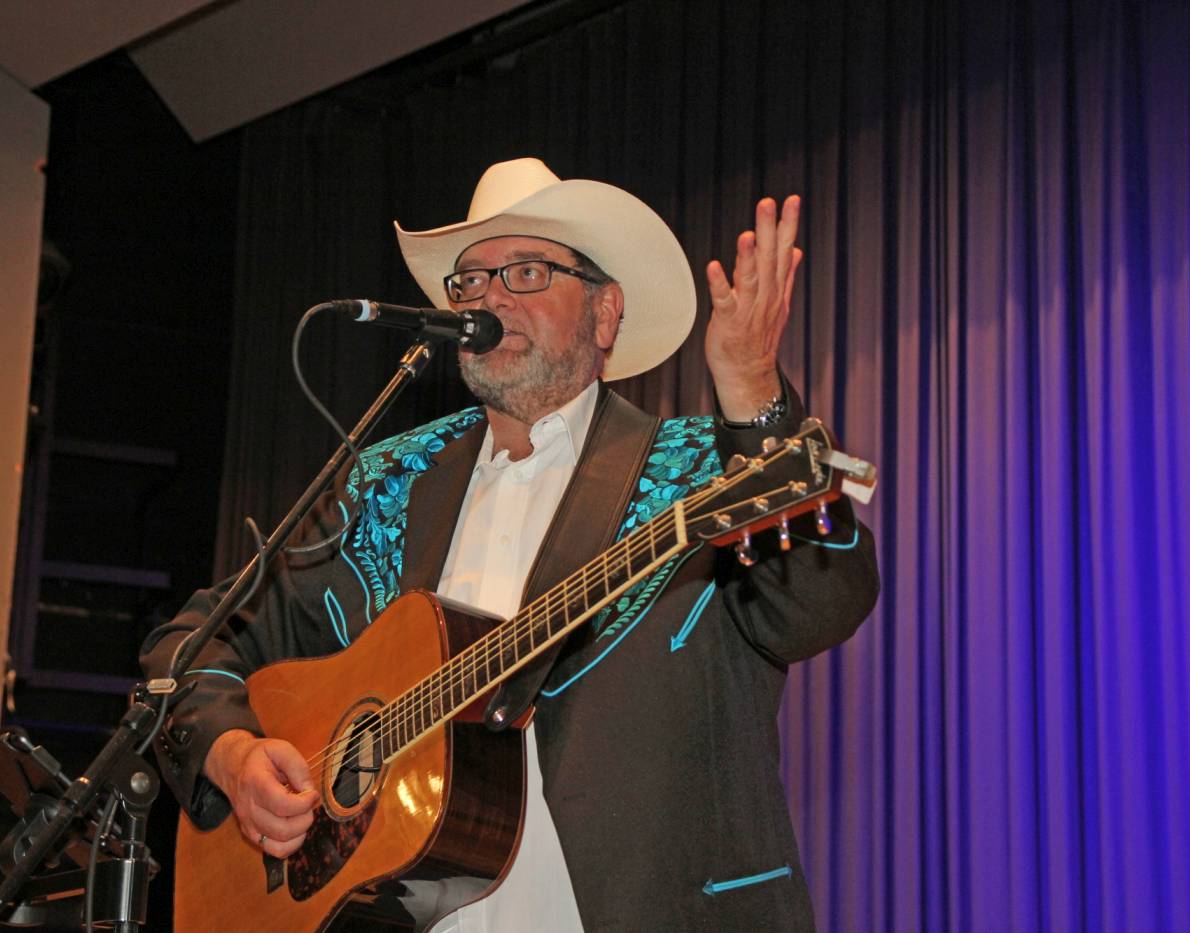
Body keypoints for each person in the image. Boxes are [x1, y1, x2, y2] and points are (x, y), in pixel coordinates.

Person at [141, 158, 879, 931]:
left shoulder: (699, 468)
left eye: (527, 271)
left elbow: (821, 604)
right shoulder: (387, 484)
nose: (489, 297)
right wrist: (233, 756)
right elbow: (190, 647)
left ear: (605, 313)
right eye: (469, 281)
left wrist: (755, 394)